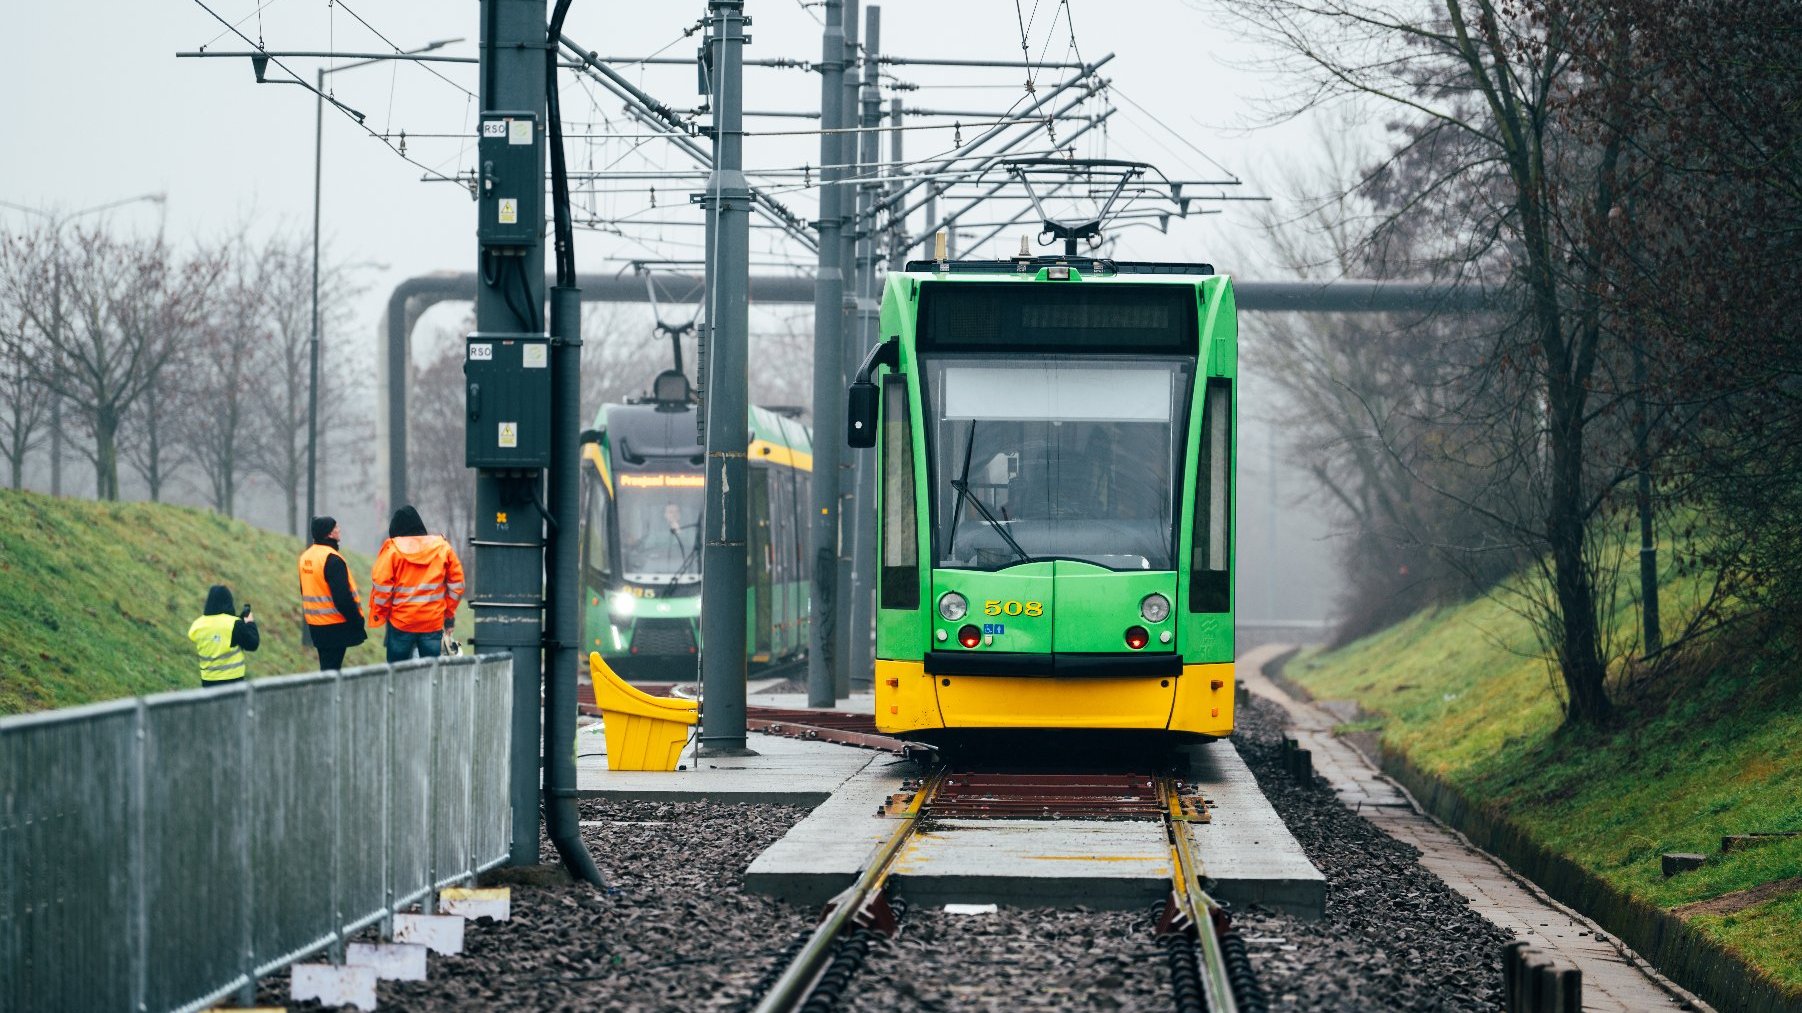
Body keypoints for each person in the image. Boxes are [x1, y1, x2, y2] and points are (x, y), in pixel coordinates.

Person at [369, 505, 466, 663]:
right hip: (432, 623)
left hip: (401, 623)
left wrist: (383, 612)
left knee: (397, 673)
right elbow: (458, 584)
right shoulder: (442, 548)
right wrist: (448, 612)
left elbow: (381, 585)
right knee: (430, 674)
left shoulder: (392, 550)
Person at [298, 515, 367, 671]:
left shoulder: (305, 557)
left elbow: (304, 589)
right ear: (329, 534)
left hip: (315, 625)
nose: (339, 529)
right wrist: (357, 620)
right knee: (331, 671)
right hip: (334, 625)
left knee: (326, 668)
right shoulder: (332, 559)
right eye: (336, 527)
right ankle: (327, 696)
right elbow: (342, 598)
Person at [188, 584, 260, 687]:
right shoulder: (233, 624)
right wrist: (249, 621)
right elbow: (253, 643)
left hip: (208, 682)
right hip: (233, 683)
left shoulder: (197, 625)